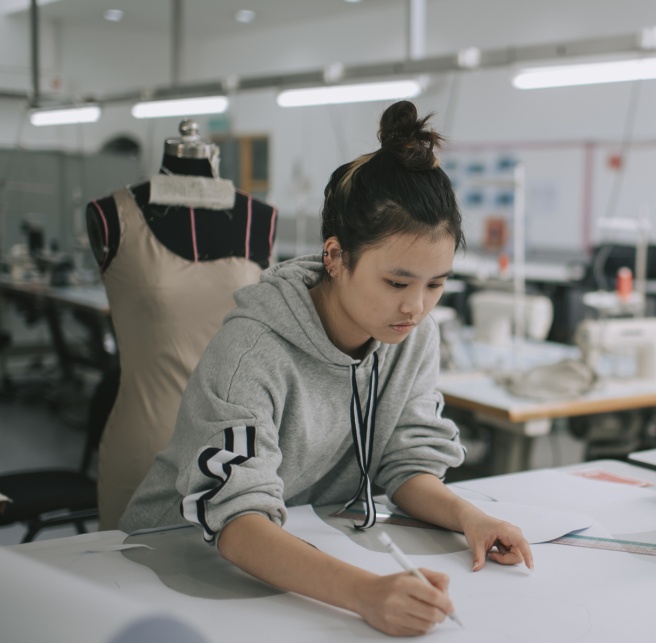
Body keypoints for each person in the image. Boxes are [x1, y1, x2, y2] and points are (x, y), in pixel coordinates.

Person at [120, 101, 532, 637]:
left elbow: (406, 463)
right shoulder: (253, 351)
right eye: (397, 283)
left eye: (436, 284)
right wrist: (365, 593)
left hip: (298, 551)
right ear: (335, 257)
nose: (417, 307)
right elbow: (237, 518)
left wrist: (469, 517)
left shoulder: (411, 336)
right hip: (170, 558)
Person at [87, 119, 276, 530]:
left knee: (226, 580)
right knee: (122, 580)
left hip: (232, 449)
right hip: (144, 441)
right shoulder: (112, 213)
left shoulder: (256, 218)